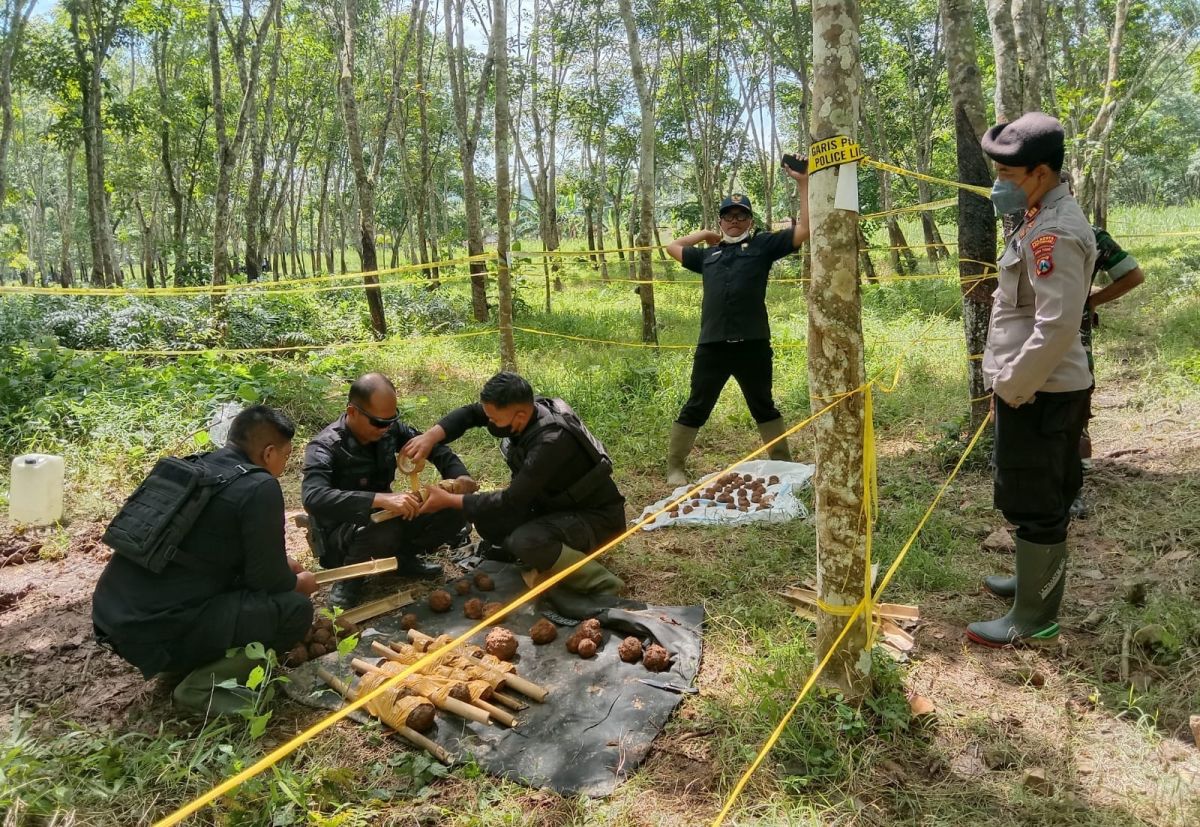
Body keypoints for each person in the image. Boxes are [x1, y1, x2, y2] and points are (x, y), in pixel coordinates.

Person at [92, 405, 318, 714]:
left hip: (114, 613)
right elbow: (269, 583)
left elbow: (208, 548)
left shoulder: (196, 467)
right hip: (156, 628)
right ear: (268, 453)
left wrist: (279, 562)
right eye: (286, 455)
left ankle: (186, 662)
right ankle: (202, 688)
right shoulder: (260, 486)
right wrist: (300, 582)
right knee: (295, 608)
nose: (286, 463)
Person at [969, 112, 1096, 647]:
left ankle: (1034, 617)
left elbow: (1057, 325)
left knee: (1037, 498)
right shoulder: (1037, 216)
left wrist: (1012, 386)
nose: (999, 185)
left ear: (1041, 173)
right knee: (1033, 492)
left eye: (1008, 175)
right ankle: (1029, 582)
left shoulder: (1054, 232)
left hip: (1041, 389)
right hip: (1035, 385)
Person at [402, 372, 624, 594]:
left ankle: (602, 583)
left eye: (494, 420)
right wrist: (430, 437)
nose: (490, 423)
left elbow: (511, 501)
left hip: (596, 519)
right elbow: (470, 414)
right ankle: (543, 557)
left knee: (525, 541)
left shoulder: (552, 441)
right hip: (554, 506)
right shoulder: (522, 411)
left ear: (520, 416)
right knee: (488, 519)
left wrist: (449, 500)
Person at [663, 164, 811, 486]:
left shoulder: (763, 246)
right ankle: (675, 467)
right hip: (712, 346)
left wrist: (803, 182)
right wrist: (705, 235)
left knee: (763, 406)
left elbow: (804, 230)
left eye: (741, 216)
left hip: (753, 345)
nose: (734, 221)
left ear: (750, 221)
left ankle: (783, 464)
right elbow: (672, 247)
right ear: (721, 221)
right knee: (696, 406)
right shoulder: (708, 256)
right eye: (728, 216)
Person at [302, 373, 477, 609]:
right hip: (343, 534)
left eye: (391, 420)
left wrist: (460, 477)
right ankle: (350, 578)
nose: (385, 428)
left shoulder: (389, 430)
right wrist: (379, 499)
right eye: (378, 422)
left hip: (388, 518)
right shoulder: (325, 446)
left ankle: (402, 560)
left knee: (455, 507)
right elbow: (313, 496)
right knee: (384, 529)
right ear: (352, 412)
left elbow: (434, 448)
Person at [1055, 173, 1146, 519]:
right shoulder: (1027, 232)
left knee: (1076, 410)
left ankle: (1074, 489)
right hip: (1032, 338)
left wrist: (1093, 301)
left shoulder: (1090, 235)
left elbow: (1133, 274)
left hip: (1072, 341)